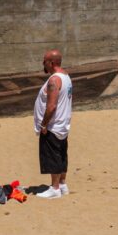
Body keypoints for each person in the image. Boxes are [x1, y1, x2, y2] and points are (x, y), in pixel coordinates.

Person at [34, 49, 73, 199]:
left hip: (53, 125)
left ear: (51, 63)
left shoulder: (54, 80)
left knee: (53, 156)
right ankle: (62, 185)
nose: (43, 64)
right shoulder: (66, 76)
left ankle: (55, 188)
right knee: (61, 154)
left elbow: (51, 106)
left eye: (44, 61)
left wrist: (44, 124)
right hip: (63, 123)